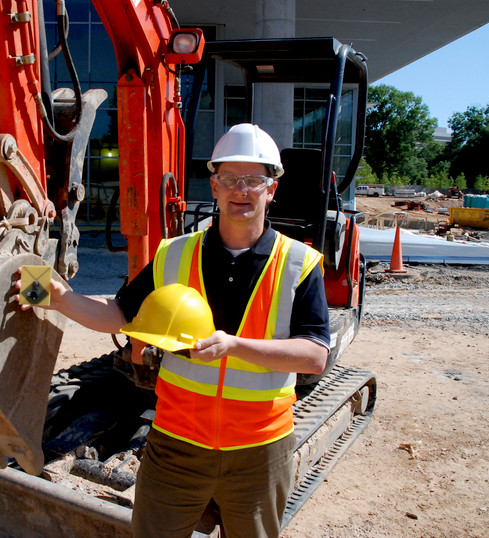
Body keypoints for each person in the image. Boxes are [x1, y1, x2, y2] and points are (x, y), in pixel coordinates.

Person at [17, 123, 330, 537]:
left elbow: (315, 355)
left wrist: (234, 346)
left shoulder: (299, 263)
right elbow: (121, 313)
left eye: (254, 180)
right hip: (176, 445)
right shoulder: (174, 254)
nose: (242, 190)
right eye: (230, 180)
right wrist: (60, 299)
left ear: (271, 189)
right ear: (214, 186)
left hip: (259, 451)